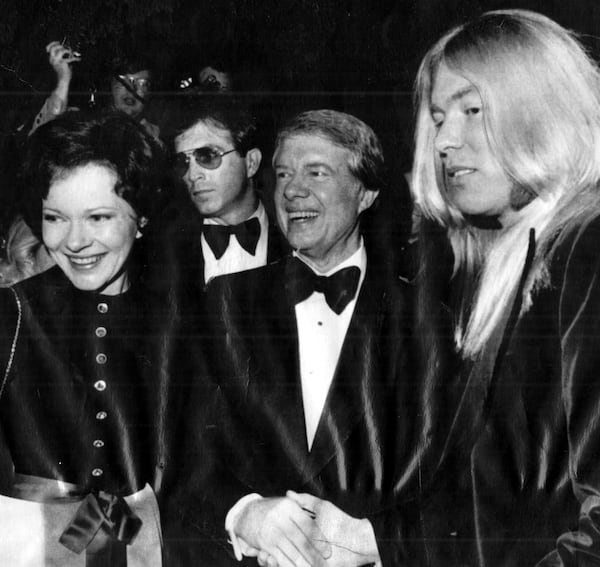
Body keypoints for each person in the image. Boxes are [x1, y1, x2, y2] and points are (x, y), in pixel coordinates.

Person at [169, 109, 424, 567]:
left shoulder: (427, 322)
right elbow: (185, 459)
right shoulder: (221, 305)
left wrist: (372, 539)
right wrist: (244, 514)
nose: (292, 190)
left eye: (316, 173)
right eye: (283, 173)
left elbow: (458, 492)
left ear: (365, 193)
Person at [412, 9, 600, 565]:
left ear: (545, 110)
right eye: (439, 117)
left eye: (472, 110)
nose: (444, 140)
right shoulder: (511, 258)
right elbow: (493, 510)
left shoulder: (586, 248)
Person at [0, 111, 172, 566]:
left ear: (143, 219)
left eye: (98, 217)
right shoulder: (13, 314)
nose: (75, 241)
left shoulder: (183, 318)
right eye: (55, 217)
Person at [156, 96, 287, 296]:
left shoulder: (295, 242)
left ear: (251, 162)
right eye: (183, 161)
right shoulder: (160, 251)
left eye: (207, 156)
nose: (192, 175)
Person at [29, 41, 160, 139]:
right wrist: (63, 80)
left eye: (143, 83)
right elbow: (40, 138)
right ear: (110, 84)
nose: (133, 89)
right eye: (125, 79)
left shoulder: (152, 138)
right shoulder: (82, 123)